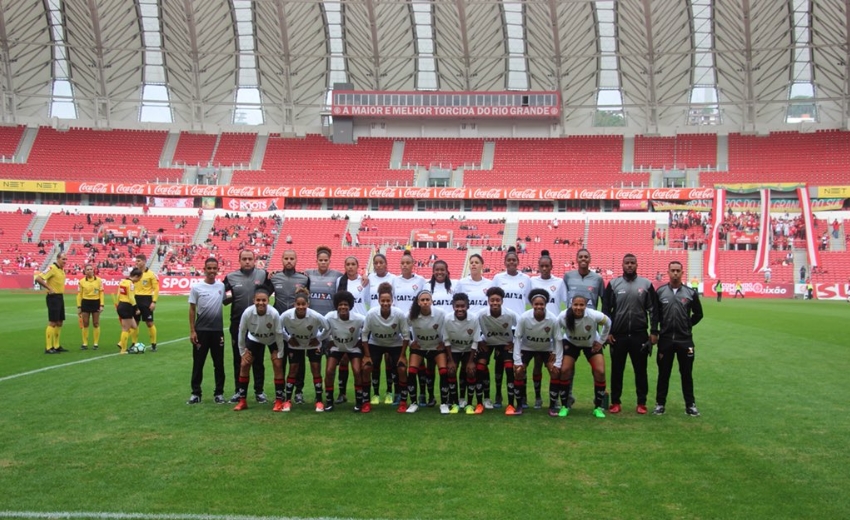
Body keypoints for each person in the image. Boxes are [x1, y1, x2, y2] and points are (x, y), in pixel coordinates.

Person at [603, 253, 659, 415]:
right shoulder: (613, 284)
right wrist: (608, 333)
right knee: (617, 370)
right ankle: (615, 402)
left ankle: (641, 402)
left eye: (632, 263)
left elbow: (653, 310)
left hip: (639, 335)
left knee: (641, 370)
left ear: (636, 265)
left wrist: (654, 332)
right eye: (627, 263)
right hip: (618, 335)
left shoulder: (646, 284)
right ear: (622, 264)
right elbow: (606, 310)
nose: (629, 265)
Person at [653, 261, 703, 417]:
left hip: (685, 340)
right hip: (666, 340)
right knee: (664, 373)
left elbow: (698, 314)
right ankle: (660, 404)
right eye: (672, 270)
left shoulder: (690, 293)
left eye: (678, 271)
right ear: (668, 272)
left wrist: (688, 324)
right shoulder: (660, 292)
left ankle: (690, 405)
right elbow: (655, 315)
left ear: (682, 273)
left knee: (687, 373)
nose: (675, 273)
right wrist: (655, 331)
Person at [224, 249, 273, 404]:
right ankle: (239, 391)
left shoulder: (262, 275)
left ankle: (259, 391)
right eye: (244, 258)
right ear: (239, 260)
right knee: (239, 359)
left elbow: (269, 291)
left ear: (254, 260)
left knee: (258, 360)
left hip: (258, 325)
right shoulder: (231, 278)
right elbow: (224, 298)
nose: (247, 261)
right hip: (237, 325)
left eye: (250, 259)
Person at [557, 293, 612, 418]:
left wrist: (601, 341)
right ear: (571, 305)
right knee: (564, 370)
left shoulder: (593, 315)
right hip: (571, 343)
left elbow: (608, 323)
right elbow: (556, 330)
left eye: (581, 305)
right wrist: (559, 347)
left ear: (586, 306)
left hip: (590, 343)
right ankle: (565, 406)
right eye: (575, 304)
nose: (578, 308)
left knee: (600, 371)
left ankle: (598, 407)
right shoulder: (563, 316)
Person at [232, 288, 286, 411]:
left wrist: (280, 353)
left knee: (277, 364)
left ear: (268, 301)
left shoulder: (274, 313)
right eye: (258, 300)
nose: (261, 303)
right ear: (253, 301)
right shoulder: (247, 312)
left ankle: (278, 401)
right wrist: (242, 352)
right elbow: (241, 332)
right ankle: (242, 401)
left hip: (272, 339)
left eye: (263, 300)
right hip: (255, 338)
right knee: (244, 364)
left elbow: (278, 334)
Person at [490, 247, 531, 408]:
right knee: (500, 362)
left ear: (518, 262)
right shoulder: (498, 278)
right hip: (500, 325)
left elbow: (528, 300)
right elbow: (493, 297)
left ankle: (523, 396)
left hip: (519, 326)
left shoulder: (526, 279)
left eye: (514, 260)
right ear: (505, 262)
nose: (511, 262)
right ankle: (499, 395)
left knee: (520, 361)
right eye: (509, 260)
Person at [510, 289, 561, 416]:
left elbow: (558, 340)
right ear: (532, 304)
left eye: (541, 304)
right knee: (518, 371)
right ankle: (520, 405)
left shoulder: (552, 319)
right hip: (527, 348)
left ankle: (552, 406)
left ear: (545, 304)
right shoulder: (524, 318)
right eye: (536, 304)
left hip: (545, 348)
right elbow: (517, 338)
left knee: (554, 372)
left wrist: (557, 360)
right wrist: (517, 360)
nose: (539, 306)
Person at [362, 282, 411, 413]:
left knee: (401, 368)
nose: (385, 303)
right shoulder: (371, 314)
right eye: (382, 300)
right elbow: (365, 335)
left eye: (388, 300)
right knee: (367, 368)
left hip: (395, 344)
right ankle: (366, 401)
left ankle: (402, 401)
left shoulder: (399, 314)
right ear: (378, 300)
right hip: (375, 344)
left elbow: (406, 336)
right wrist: (366, 356)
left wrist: (402, 356)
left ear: (392, 301)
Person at [279, 287, 331, 412]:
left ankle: (319, 401)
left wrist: (319, 338)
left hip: (312, 344)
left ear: (308, 304)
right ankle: (287, 401)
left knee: (315, 370)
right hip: (295, 344)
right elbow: (278, 329)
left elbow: (328, 328)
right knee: (293, 370)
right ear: (294, 304)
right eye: (298, 304)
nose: (301, 307)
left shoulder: (315, 315)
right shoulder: (286, 316)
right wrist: (288, 338)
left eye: (303, 304)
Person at [528, 250, 567, 409]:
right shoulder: (532, 281)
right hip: (536, 329)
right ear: (538, 267)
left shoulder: (559, 282)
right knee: (537, 364)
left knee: (554, 366)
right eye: (542, 266)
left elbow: (566, 302)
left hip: (553, 328)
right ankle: (537, 397)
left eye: (547, 266)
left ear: (552, 266)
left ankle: (555, 398)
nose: (544, 268)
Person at [270, 249, 310, 401]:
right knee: (280, 360)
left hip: (297, 325)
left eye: (291, 258)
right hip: (279, 326)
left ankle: (298, 391)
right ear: (281, 259)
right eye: (286, 258)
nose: (289, 261)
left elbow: (307, 301)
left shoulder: (303, 278)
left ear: (296, 260)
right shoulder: (274, 278)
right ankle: (280, 393)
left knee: (298, 360)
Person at [187, 257, 226, 405]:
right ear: (204, 269)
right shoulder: (197, 288)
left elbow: (224, 301)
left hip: (217, 331)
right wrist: (192, 330)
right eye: (209, 268)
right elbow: (192, 309)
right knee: (198, 363)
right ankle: (196, 393)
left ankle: (219, 393)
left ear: (217, 269)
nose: (211, 271)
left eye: (214, 268)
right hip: (201, 331)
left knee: (219, 363)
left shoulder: (221, 286)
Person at [323, 290, 369, 412]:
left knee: (357, 370)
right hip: (337, 347)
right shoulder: (330, 316)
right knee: (329, 371)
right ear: (336, 306)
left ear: (350, 306)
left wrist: (360, 341)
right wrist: (329, 340)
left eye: (346, 305)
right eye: (340, 305)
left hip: (353, 347)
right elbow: (324, 332)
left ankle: (359, 402)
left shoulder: (359, 319)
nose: (343, 307)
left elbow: (368, 329)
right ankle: (329, 401)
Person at [405, 290, 448, 414]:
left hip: (436, 348)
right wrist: (410, 342)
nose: (425, 302)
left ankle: (444, 403)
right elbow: (403, 328)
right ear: (418, 302)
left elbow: (448, 327)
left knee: (443, 371)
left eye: (427, 300)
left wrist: (444, 342)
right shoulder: (411, 315)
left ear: (431, 301)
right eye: (422, 300)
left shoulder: (441, 313)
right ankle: (413, 403)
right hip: (420, 348)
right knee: (412, 371)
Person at [334, 255, 370, 404]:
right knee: (343, 361)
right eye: (347, 264)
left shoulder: (364, 281)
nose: (350, 267)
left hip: (360, 324)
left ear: (357, 266)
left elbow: (368, 301)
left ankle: (360, 394)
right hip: (344, 323)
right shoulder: (340, 282)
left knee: (359, 362)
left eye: (353, 264)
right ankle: (342, 393)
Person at [476, 287, 518, 411]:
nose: (495, 303)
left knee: (509, 369)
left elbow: (521, 327)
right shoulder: (481, 314)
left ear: (502, 301)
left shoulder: (510, 314)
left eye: (497, 300)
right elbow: (472, 327)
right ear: (488, 301)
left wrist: (514, 342)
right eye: (492, 300)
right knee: (480, 367)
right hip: (487, 343)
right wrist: (479, 341)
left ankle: (510, 404)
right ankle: (481, 402)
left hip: (505, 343)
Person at [442, 292, 482, 414]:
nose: (460, 309)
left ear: (467, 306)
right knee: (451, 370)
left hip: (469, 349)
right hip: (453, 349)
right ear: (453, 306)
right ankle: (454, 403)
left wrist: (470, 361)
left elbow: (475, 341)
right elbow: (447, 340)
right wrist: (451, 360)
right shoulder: (448, 319)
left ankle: (469, 404)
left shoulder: (474, 319)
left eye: (462, 306)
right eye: (457, 306)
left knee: (470, 371)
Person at [367, 253, 397, 405]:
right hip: (374, 321)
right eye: (375, 262)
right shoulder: (368, 279)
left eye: (381, 262)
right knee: (375, 363)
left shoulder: (393, 279)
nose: (378, 265)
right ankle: (376, 393)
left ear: (386, 264)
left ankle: (389, 392)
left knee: (390, 362)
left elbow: (395, 299)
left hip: (389, 321)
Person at [36, 253, 69, 354]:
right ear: (58, 259)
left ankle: (56, 345)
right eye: (63, 259)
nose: (65, 261)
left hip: (59, 297)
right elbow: (38, 278)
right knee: (53, 321)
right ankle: (48, 347)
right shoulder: (52, 268)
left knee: (59, 321)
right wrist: (49, 288)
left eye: (66, 259)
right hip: (53, 297)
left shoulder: (61, 270)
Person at [132, 254, 160, 352]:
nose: (137, 263)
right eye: (136, 261)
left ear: (144, 261)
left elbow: (156, 289)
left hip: (146, 300)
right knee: (135, 323)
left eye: (139, 261)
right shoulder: (134, 273)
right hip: (135, 299)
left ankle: (153, 344)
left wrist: (154, 302)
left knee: (149, 323)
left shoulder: (151, 274)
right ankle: (133, 344)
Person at [76, 264, 104, 351]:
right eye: (87, 269)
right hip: (85, 302)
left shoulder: (99, 280)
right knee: (85, 323)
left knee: (96, 323)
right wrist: (79, 306)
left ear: (93, 270)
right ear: (85, 271)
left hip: (96, 302)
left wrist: (102, 305)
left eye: (91, 269)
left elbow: (101, 293)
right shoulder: (81, 281)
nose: (89, 271)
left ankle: (96, 343)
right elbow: (79, 294)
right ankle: (85, 343)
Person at [115, 268, 142, 354]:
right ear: (136, 276)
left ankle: (121, 343)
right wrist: (136, 308)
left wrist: (118, 303)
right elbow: (131, 297)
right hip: (127, 306)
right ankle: (123, 349)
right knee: (125, 329)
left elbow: (118, 294)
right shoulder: (131, 284)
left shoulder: (122, 282)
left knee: (134, 326)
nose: (139, 280)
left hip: (121, 304)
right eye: (139, 278)